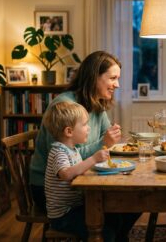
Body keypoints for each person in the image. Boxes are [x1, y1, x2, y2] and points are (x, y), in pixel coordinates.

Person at [30, 50, 140, 241]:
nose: (117, 84)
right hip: (53, 190)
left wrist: (111, 141)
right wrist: (103, 144)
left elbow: (108, 143)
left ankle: (115, 236)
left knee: (134, 203)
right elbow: (62, 158)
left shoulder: (96, 103)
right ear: (94, 77)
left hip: (82, 180)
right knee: (116, 216)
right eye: (112, 78)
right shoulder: (64, 108)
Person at [43, 101, 109, 241]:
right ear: (69, 131)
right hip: (63, 216)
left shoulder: (73, 150)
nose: (88, 128)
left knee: (111, 219)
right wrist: (93, 159)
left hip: (74, 207)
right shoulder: (58, 152)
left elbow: (78, 171)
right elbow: (66, 174)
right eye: (85, 124)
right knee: (105, 230)